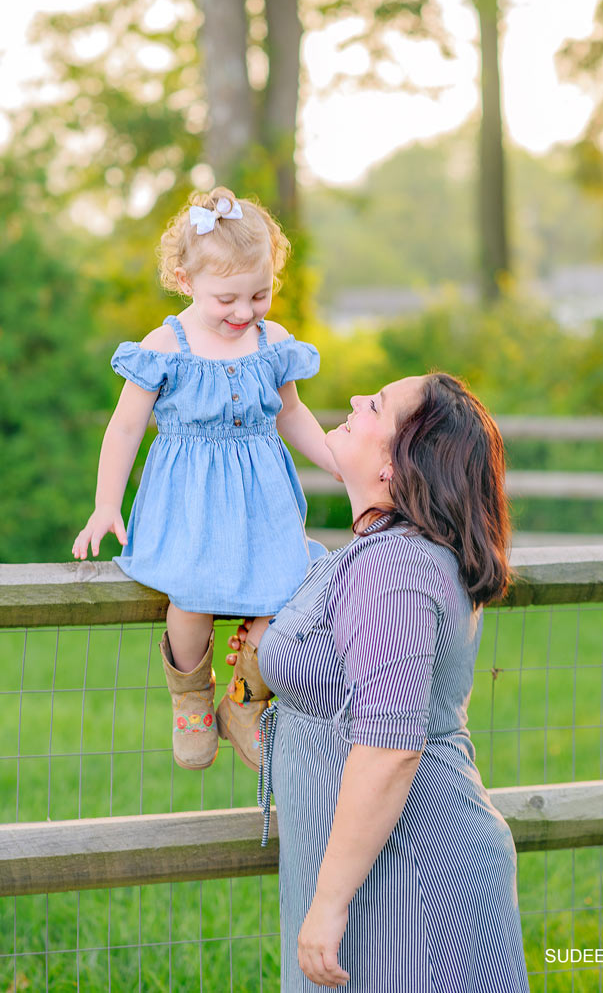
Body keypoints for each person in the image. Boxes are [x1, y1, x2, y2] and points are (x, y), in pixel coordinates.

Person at [226, 372, 529, 991]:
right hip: (372, 866)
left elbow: (390, 750)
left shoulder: (397, 568)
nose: (356, 399)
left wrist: (330, 904)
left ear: (400, 462)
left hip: (414, 875)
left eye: (378, 406)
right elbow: (335, 718)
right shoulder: (379, 553)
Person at [73, 187, 337, 771]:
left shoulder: (274, 343)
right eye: (227, 298)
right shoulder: (165, 347)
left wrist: (334, 460)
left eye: (259, 295)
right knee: (189, 602)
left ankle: (245, 701)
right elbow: (123, 430)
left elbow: (290, 412)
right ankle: (192, 699)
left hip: (262, 506)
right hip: (189, 505)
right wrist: (105, 505)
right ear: (184, 278)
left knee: (286, 598)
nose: (243, 312)